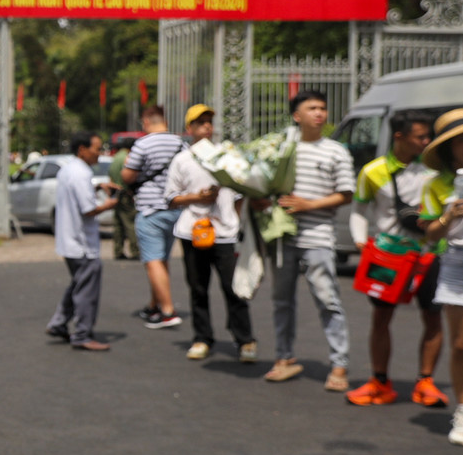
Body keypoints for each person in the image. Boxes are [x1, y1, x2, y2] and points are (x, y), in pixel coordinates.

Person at [347, 111, 447, 407]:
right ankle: (379, 382)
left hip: (429, 255)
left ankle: (425, 383)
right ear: (399, 137)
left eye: (428, 136)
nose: (427, 142)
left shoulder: (435, 172)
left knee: (433, 317)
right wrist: (361, 243)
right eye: (420, 137)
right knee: (381, 317)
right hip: (388, 256)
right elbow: (358, 210)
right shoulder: (373, 171)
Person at [262, 90, 356, 390]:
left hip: (318, 237)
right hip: (283, 236)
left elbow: (346, 194)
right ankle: (284, 358)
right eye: (312, 107)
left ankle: (339, 365)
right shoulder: (279, 148)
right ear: (296, 115)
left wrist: (308, 205)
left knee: (328, 299)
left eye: (323, 108)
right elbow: (262, 182)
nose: (319, 113)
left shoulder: (335, 151)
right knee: (281, 301)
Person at [419, 109, 463, 446]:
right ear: (449, 148)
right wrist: (448, 217)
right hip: (459, 263)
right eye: (460, 141)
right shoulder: (436, 184)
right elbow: (430, 235)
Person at [165, 105, 256, 362]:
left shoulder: (227, 156)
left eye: (209, 122)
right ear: (190, 129)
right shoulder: (182, 160)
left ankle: (245, 339)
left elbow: (240, 193)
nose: (206, 126)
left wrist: (235, 221)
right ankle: (202, 338)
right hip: (192, 231)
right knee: (198, 287)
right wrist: (198, 197)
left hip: (224, 232)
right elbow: (171, 198)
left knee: (233, 287)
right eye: (200, 122)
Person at [46, 131, 118, 351]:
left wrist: (96, 188)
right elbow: (89, 210)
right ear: (82, 149)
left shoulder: (68, 169)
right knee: (87, 290)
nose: (99, 153)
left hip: (70, 241)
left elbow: (77, 197)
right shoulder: (81, 173)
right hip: (82, 244)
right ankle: (82, 334)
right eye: (96, 148)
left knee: (79, 283)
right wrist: (111, 203)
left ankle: (59, 323)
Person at [121, 107, 184, 328]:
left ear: (146, 121)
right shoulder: (180, 144)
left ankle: (167, 311)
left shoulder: (143, 144)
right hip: (175, 208)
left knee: (153, 261)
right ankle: (154, 305)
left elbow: (128, 176)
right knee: (162, 259)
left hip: (151, 209)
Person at [109, 138, 139, 260]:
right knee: (130, 223)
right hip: (126, 193)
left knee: (118, 224)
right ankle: (135, 251)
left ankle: (118, 250)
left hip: (116, 193)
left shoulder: (116, 157)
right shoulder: (127, 157)